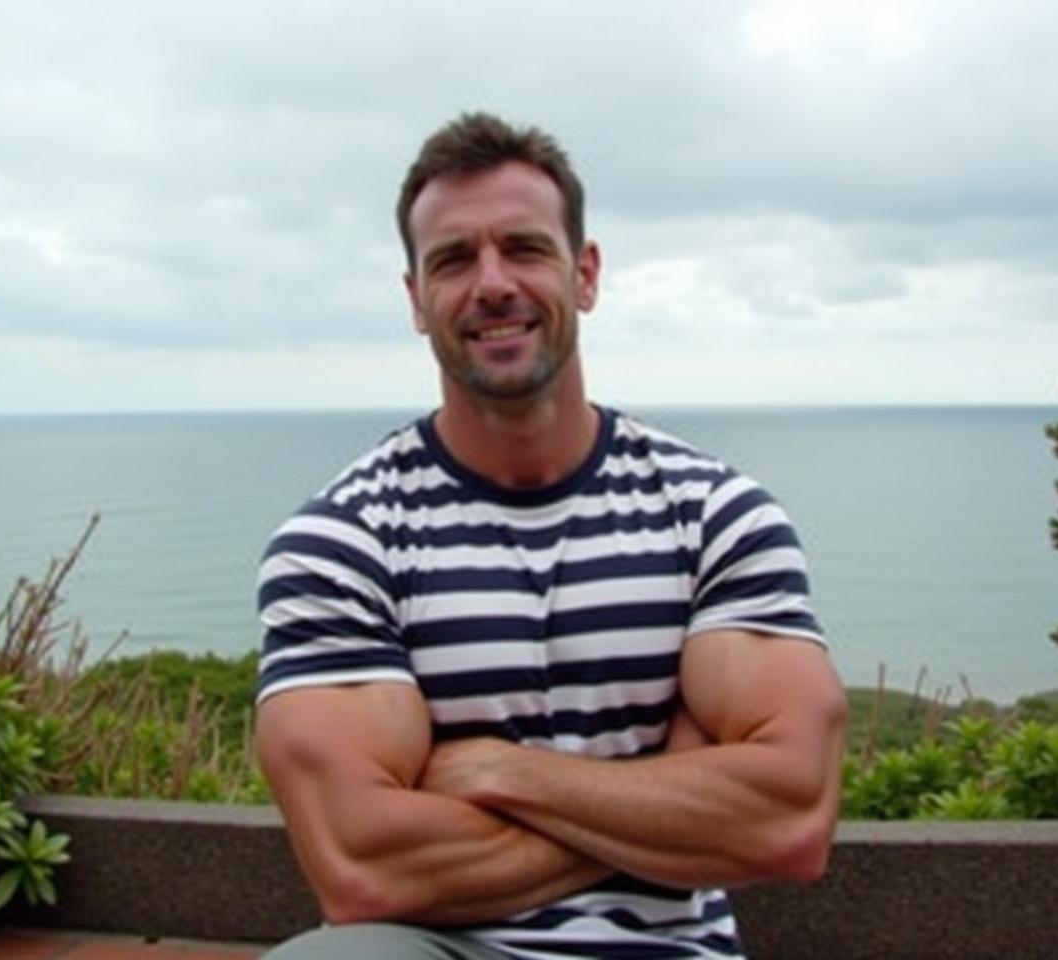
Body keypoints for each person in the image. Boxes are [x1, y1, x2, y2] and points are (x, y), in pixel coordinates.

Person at [254, 112, 846, 960]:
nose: (492, 283)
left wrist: (498, 772)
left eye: (525, 248)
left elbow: (787, 820)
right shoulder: (343, 542)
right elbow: (362, 869)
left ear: (585, 273)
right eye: (453, 260)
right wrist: (673, 805)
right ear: (417, 300)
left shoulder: (714, 515)